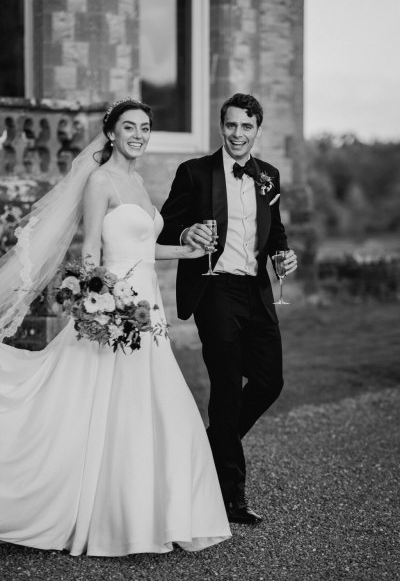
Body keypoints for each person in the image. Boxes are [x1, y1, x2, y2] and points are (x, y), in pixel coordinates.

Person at [0, 99, 231, 556]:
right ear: (110, 133)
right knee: (110, 404)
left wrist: (184, 252)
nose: (139, 135)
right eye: (130, 127)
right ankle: (109, 514)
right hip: (118, 309)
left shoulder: (139, 182)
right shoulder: (99, 180)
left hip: (150, 310)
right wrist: (97, 304)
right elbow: (91, 251)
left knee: (154, 403)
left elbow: (142, 248)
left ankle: (151, 512)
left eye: (145, 127)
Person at [158, 93, 297, 525]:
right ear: (222, 126)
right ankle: (231, 495)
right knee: (224, 383)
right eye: (231, 125)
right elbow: (167, 223)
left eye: (247, 127)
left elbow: (274, 231)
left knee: (269, 380)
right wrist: (188, 233)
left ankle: (211, 444)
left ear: (258, 130)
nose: (238, 134)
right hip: (213, 289)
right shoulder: (194, 172)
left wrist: (284, 254)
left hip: (256, 290)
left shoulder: (269, 176)